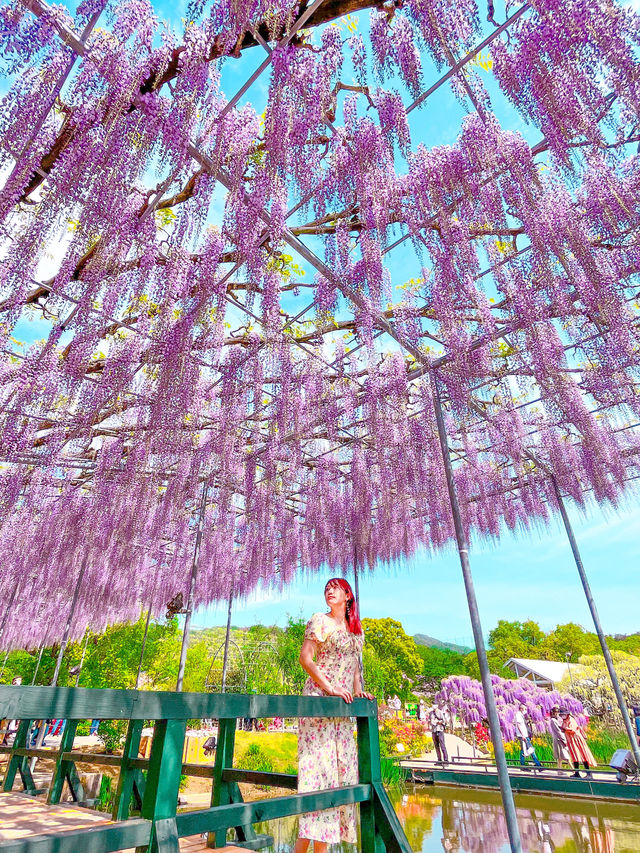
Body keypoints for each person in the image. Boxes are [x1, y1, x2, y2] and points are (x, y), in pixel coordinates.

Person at [294, 578, 372, 853]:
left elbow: (354, 668)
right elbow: (306, 658)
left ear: (348, 596)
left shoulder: (356, 631)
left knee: (340, 776)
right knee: (318, 776)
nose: (329, 590)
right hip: (319, 703)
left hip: (341, 709)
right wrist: (329, 687)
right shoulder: (320, 620)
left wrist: (358, 691)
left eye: (335, 587)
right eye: (326, 587)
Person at [561, 710, 596, 779]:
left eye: (563, 714)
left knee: (583, 755)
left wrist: (565, 729)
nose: (562, 716)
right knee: (574, 756)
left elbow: (573, 730)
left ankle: (589, 773)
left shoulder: (571, 720)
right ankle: (577, 773)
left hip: (576, 740)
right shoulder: (564, 721)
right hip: (571, 741)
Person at [514, 703, 542, 770]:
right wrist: (523, 735)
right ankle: (538, 765)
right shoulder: (518, 715)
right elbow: (519, 725)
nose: (525, 710)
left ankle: (523, 766)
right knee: (530, 749)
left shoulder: (521, 715)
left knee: (524, 750)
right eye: (525, 709)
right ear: (521, 709)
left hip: (524, 735)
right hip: (523, 736)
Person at [549, 707, 571, 771]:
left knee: (560, 757)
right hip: (559, 740)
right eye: (556, 712)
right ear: (553, 713)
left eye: (558, 712)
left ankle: (559, 770)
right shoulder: (553, 720)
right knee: (566, 756)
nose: (558, 713)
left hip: (558, 739)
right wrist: (564, 740)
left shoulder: (555, 720)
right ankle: (574, 770)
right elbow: (558, 731)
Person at [429, 698, 449, 765]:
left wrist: (438, 722)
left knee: (442, 745)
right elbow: (430, 720)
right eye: (432, 704)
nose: (433, 705)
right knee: (436, 746)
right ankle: (439, 760)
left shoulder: (440, 712)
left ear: (437, 705)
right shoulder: (431, 713)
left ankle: (446, 760)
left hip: (439, 730)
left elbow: (444, 721)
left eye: (434, 704)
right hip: (434, 730)